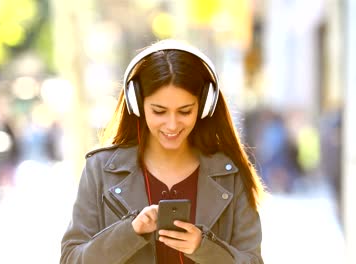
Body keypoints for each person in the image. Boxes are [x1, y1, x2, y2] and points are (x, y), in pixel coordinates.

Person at [61, 39, 265, 263]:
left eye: (185, 111)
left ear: (205, 105)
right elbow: (72, 259)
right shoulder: (100, 169)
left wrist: (203, 248)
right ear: (136, 103)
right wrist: (129, 232)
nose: (172, 124)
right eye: (159, 111)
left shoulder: (231, 173)